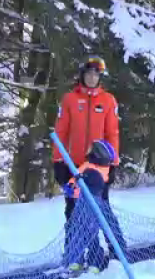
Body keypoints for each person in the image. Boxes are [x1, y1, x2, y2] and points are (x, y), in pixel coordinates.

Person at [52, 55, 126, 266]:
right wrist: (58, 162)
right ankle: (74, 257)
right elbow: (61, 132)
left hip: (98, 168)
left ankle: (114, 253)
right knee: (73, 212)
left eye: (96, 75)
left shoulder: (108, 101)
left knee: (99, 211)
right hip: (73, 166)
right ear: (82, 75)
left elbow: (112, 133)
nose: (92, 78)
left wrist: (113, 163)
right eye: (89, 74)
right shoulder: (70, 100)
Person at [60, 140, 119, 273]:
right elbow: (76, 178)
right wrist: (70, 186)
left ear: (97, 153)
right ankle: (77, 260)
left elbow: (85, 188)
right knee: (78, 232)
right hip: (80, 206)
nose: (88, 151)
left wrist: (72, 190)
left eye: (91, 149)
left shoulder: (94, 170)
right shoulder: (91, 166)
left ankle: (94, 262)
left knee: (89, 234)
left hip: (90, 206)